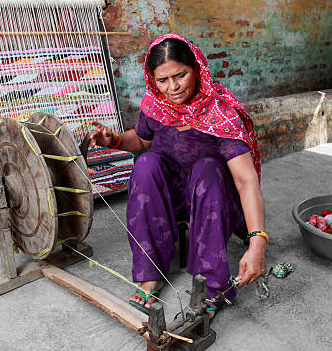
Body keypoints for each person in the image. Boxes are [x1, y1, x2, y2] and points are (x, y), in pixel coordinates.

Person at [89, 34, 267, 318]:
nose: (172, 87)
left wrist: (258, 241)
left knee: (208, 169)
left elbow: (245, 181)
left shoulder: (220, 113)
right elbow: (143, 140)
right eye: (162, 80)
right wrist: (115, 141)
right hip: (171, 198)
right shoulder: (155, 105)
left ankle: (212, 286)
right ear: (153, 80)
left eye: (180, 75)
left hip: (214, 198)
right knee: (146, 163)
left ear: (196, 68)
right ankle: (150, 274)